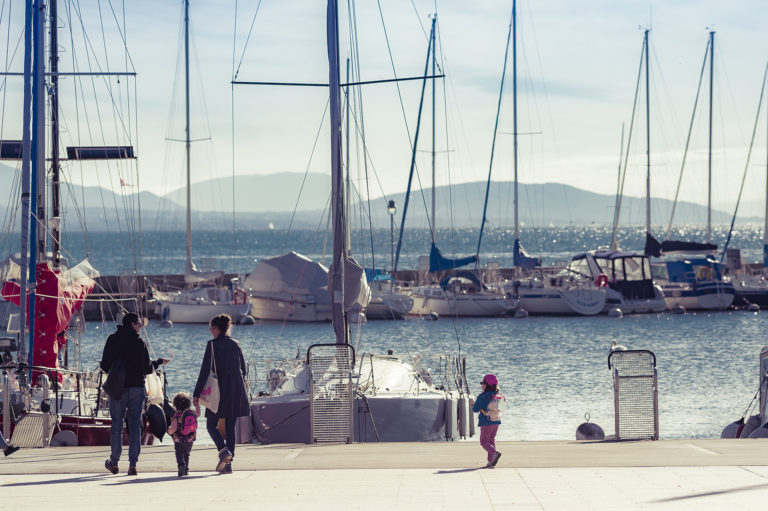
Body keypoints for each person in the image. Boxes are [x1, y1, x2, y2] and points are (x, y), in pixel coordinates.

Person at [100, 313, 167, 476]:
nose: (140, 326)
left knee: (116, 424)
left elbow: (105, 366)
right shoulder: (139, 343)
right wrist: (156, 363)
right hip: (137, 388)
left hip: (118, 388)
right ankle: (133, 464)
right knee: (136, 424)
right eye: (138, 323)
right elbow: (146, 368)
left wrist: (116, 371)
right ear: (132, 324)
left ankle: (114, 462)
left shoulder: (112, 340)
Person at [193, 314, 249, 474]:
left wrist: (196, 394)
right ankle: (228, 465)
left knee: (211, 425)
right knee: (230, 427)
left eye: (211, 328)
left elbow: (204, 371)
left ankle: (224, 452)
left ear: (217, 329)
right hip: (236, 389)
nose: (210, 331)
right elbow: (243, 369)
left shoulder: (212, 345)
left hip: (218, 391)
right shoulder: (235, 344)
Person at [472, 374, 502, 468]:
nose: (481, 385)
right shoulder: (497, 396)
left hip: (486, 422)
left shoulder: (482, 396)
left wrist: (472, 405)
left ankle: (494, 453)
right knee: (491, 440)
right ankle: (490, 462)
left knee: (484, 441)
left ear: (487, 385)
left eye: (482, 383)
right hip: (496, 421)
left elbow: (475, 409)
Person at [167, 391, 198, 477]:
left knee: (179, 453)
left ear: (175, 404)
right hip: (190, 439)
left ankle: (181, 466)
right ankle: (186, 469)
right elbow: (196, 417)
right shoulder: (191, 413)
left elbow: (173, 428)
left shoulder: (177, 416)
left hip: (179, 440)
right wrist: (198, 407)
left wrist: (168, 431)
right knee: (187, 454)